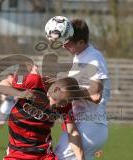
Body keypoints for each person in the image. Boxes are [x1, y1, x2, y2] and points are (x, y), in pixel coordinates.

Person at [45, 17, 111, 160]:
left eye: (68, 43)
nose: (64, 46)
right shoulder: (79, 56)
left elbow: (95, 95)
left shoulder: (93, 58)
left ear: (81, 42)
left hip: (90, 124)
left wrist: (69, 91)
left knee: (58, 157)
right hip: (83, 123)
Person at [0, 64, 84, 160]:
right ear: (56, 90)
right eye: (65, 100)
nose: (65, 105)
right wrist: (20, 93)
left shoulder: (65, 105)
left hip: (44, 155)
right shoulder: (34, 81)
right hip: (17, 152)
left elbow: (72, 131)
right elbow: (2, 85)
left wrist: (81, 158)